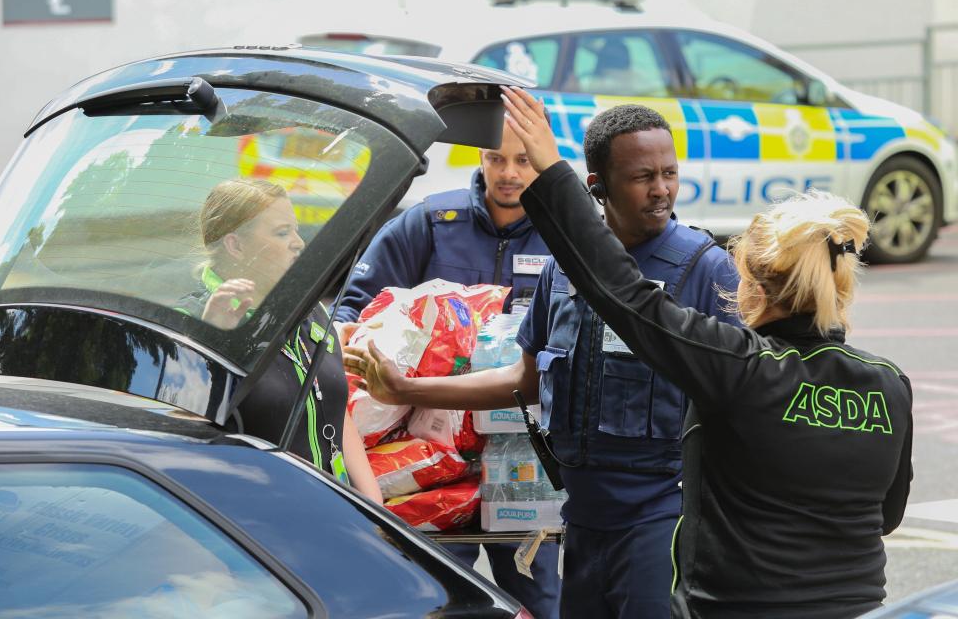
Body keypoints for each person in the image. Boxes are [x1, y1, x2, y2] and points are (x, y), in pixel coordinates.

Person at [497, 86, 914, 618]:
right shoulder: (887, 382)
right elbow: (887, 513)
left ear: (751, 289)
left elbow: (625, 296)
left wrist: (553, 171)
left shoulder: (743, 369)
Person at [345, 104, 741, 619]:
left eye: (669, 174)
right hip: (577, 518)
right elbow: (523, 379)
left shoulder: (704, 269)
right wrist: (405, 390)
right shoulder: (562, 268)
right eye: (643, 177)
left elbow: (740, 400)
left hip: (661, 517)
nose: (661, 189)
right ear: (598, 185)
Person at [335, 122, 560, 619]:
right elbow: (352, 312)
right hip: (431, 458)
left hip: (524, 455)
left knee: (540, 592)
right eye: (495, 158)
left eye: (523, 161)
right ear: (479, 157)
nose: (508, 173)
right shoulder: (433, 222)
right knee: (432, 593)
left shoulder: (563, 233)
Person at [177, 178, 382, 504]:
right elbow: (178, 435)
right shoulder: (189, 317)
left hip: (335, 511)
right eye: (282, 232)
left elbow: (332, 408)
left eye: (296, 230)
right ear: (235, 245)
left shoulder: (309, 307)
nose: (299, 243)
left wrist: (372, 503)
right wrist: (215, 339)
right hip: (257, 526)